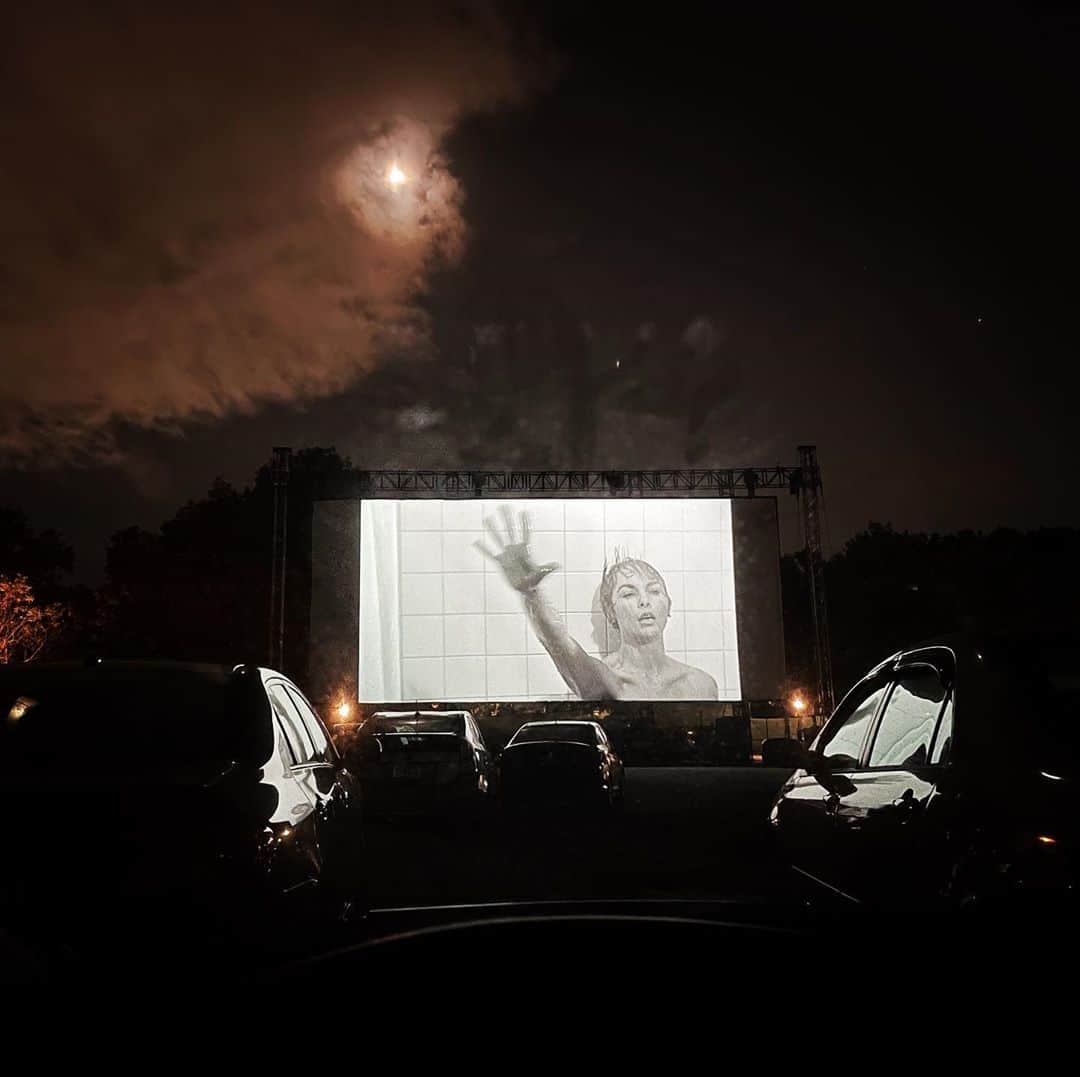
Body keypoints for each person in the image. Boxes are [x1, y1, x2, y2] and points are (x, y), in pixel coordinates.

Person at [476, 507, 719, 701]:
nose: (645, 601)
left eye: (654, 591)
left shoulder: (700, 684)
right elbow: (562, 646)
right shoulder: (608, 679)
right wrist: (532, 594)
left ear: (669, 606)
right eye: (628, 594)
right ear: (611, 613)